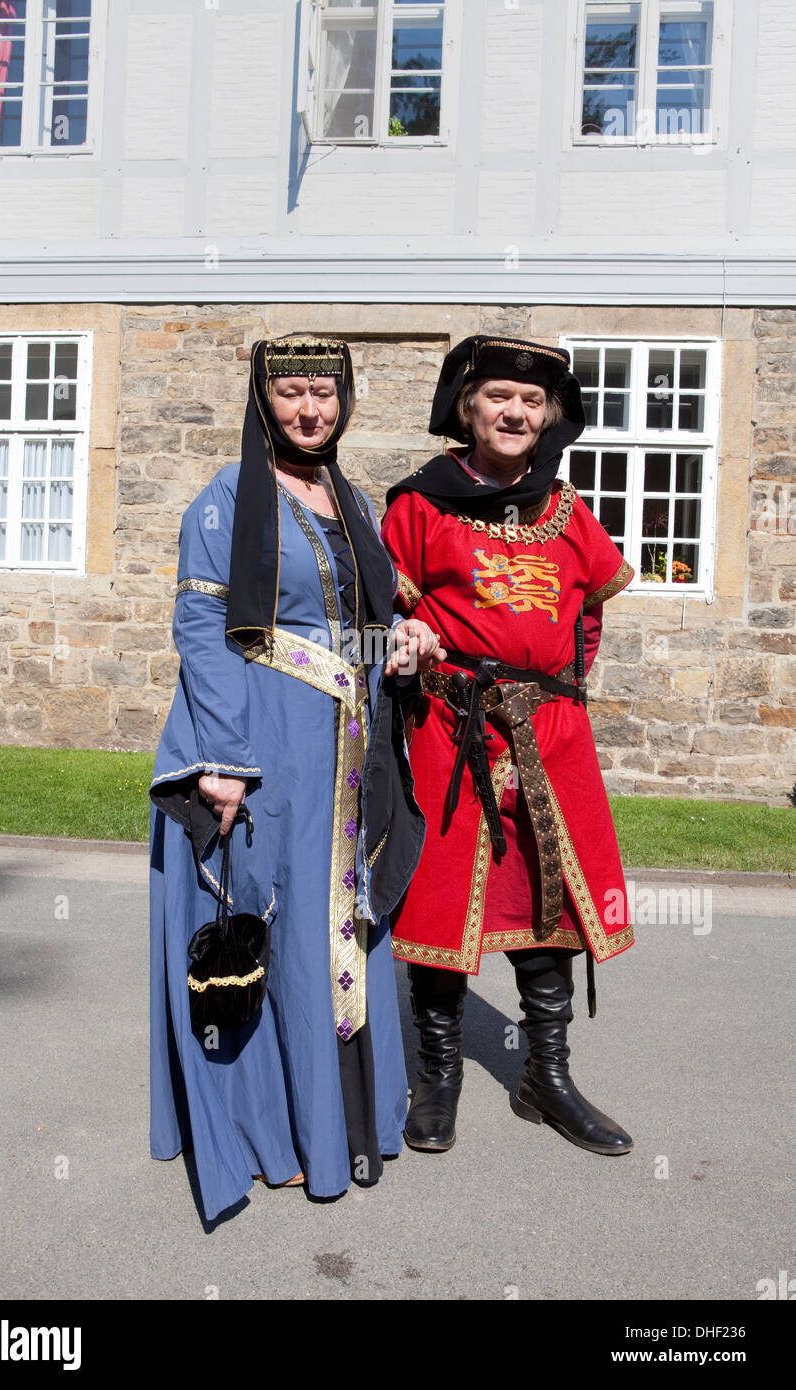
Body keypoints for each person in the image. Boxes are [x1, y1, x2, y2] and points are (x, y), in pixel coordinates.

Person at [148, 335, 443, 1221]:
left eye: (323, 393)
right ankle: (270, 1129)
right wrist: (226, 762)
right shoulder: (230, 496)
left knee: (337, 924)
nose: (309, 410)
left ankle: (343, 1120)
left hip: (344, 747)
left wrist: (400, 642)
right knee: (274, 925)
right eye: (291, 394)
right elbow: (203, 630)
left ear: (344, 400)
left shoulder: (349, 499)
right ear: (261, 399)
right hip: (264, 743)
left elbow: (356, 616)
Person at [380, 335, 635, 1158]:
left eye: (531, 403)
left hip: (551, 731)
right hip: (454, 729)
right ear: (467, 407)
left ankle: (545, 1077)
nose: (515, 412)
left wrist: (562, 687)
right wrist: (415, 650)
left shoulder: (567, 508)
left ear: (547, 418)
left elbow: (587, 614)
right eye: (498, 397)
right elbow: (393, 612)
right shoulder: (420, 504)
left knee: (550, 898)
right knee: (442, 899)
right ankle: (439, 1075)